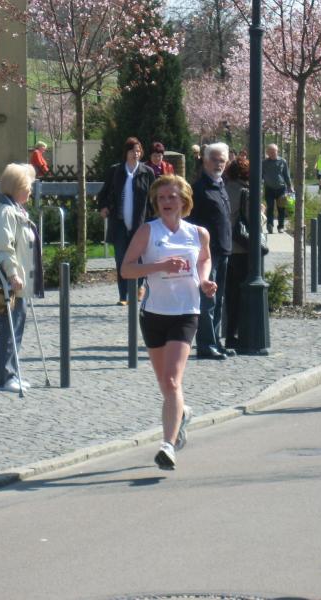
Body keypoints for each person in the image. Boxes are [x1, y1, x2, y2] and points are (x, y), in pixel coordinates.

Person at [120, 175, 215, 469]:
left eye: (172, 197)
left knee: (173, 379)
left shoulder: (198, 233)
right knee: (165, 384)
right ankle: (182, 413)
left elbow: (204, 259)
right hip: (154, 313)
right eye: (161, 198)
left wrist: (204, 281)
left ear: (184, 200)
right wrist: (159, 266)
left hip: (185, 312)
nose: (166, 202)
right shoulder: (148, 231)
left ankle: (168, 445)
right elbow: (126, 269)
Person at [0, 163, 43, 393]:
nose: (30, 190)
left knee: (16, 327)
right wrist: (12, 273)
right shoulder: (7, 212)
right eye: (27, 186)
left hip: (19, 281)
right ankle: (5, 376)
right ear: (16, 187)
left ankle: (12, 372)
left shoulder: (15, 209)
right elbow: (3, 247)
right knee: (9, 328)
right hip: (11, 281)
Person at [97, 137, 156, 306]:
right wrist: (103, 207)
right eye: (132, 151)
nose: (135, 154)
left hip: (141, 223)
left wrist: (154, 218)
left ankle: (138, 287)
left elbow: (153, 198)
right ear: (126, 153)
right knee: (121, 259)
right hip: (119, 223)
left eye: (138, 151)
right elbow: (104, 193)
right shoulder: (116, 171)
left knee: (140, 258)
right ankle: (123, 295)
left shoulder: (147, 172)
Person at [190, 142, 235, 360]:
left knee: (219, 300)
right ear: (205, 161)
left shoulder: (221, 185)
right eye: (214, 160)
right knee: (208, 300)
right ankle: (206, 345)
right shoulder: (199, 189)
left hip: (223, 250)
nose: (219, 164)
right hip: (207, 253)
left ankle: (216, 341)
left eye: (222, 160)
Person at [224, 158, 257, 350]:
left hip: (227, 247)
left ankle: (228, 333)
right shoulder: (246, 191)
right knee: (241, 293)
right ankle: (236, 334)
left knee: (230, 294)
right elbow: (254, 221)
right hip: (242, 248)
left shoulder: (225, 188)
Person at [262, 143, 293, 234]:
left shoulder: (282, 161)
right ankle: (270, 225)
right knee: (270, 207)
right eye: (270, 152)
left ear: (277, 151)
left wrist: (290, 186)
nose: (272, 153)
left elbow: (286, 175)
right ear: (267, 152)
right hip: (269, 188)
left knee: (281, 209)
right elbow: (261, 175)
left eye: (274, 151)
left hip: (281, 188)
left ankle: (281, 226)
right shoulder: (264, 163)